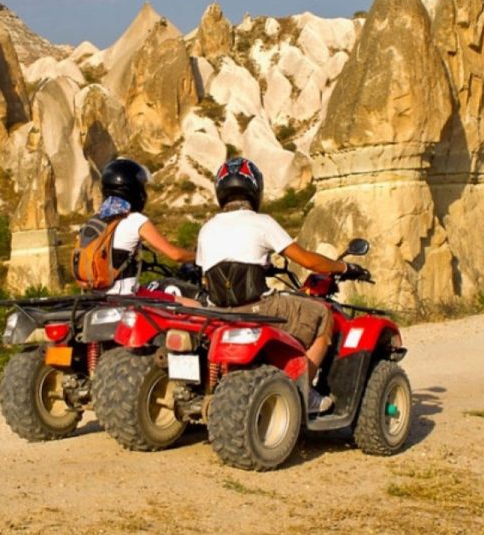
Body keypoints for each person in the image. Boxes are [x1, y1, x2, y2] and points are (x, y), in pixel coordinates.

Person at [195, 157, 367, 413]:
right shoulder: (261, 222)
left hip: (220, 312)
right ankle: (305, 391)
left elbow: (209, 276)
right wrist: (344, 267)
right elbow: (309, 261)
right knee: (323, 315)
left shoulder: (207, 228)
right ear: (255, 190)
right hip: (259, 307)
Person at [96, 158, 196, 295]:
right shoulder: (135, 220)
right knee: (193, 304)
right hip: (125, 297)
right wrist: (201, 256)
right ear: (133, 190)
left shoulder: (97, 220)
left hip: (99, 296)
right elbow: (175, 255)